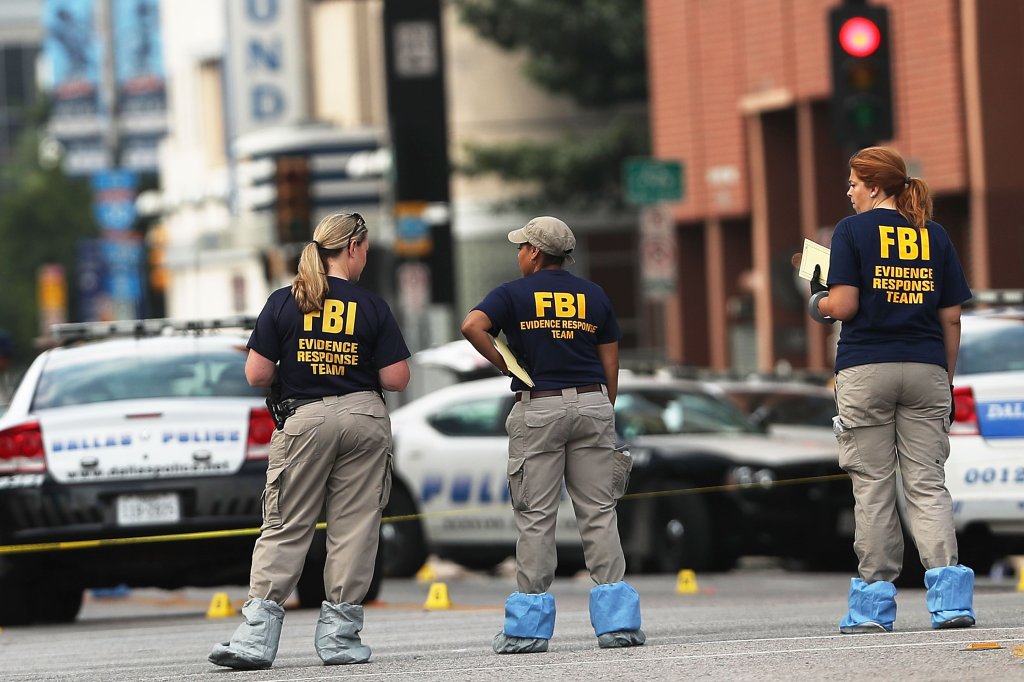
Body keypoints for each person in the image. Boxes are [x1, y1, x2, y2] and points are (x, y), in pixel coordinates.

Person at [209, 213, 411, 669]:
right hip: (363, 416)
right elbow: (397, 378)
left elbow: (256, 373)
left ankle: (256, 639)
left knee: (287, 524)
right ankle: (340, 639)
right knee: (355, 528)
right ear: (354, 247)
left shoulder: (284, 301)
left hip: (304, 418)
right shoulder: (372, 305)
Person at [807, 147, 976, 634]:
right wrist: (944, 374)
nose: (849, 191)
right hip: (926, 367)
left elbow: (845, 304)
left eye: (854, 183)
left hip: (867, 368)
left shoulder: (851, 231)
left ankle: (873, 607)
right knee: (926, 484)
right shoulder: (934, 234)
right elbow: (952, 315)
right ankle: (950, 601)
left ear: (875, 187)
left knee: (874, 487)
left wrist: (819, 301)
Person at [461, 216, 645, 654]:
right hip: (593, 402)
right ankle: (617, 624)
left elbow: (472, 326)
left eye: (522, 247)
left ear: (536, 254)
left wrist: (507, 365)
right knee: (599, 512)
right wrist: (603, 409)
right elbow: (611, 363)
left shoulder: (512, 293)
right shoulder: (594, 294)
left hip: (539, 405)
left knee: (537, 516)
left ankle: (528, 629)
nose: (519, 254)